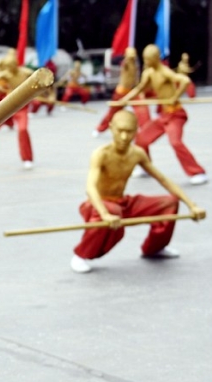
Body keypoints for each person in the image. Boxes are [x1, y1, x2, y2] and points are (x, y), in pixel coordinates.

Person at [70, 111, 205, 273]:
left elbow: (163, 180)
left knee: (169, 203)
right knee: (113, 210)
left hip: (123, 203)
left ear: (136, 131)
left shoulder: (137, 153)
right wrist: (105, 214)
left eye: (129, 131)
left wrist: (192, 205)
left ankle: (154, 248)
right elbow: (90, 188)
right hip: (98, 205)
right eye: (120, 131)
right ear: (111, 128)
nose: (124, 137)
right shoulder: (101, 154)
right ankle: (80, 255)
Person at [119, 44, 207, 185]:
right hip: (164, 115)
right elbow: (140, 88)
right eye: (145, 59)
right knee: (141, 139)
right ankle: (145, 167)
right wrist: (124, 99)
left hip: (175, 114)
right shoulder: (148, 73)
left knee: (175, 142)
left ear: (155, 59)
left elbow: (185, 80)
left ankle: (198, 172)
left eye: (148, 59)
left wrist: (175, 96)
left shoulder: (164, 71)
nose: (146, 62)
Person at [93, 47, 150, 137]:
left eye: (134, 54)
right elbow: (126, 62)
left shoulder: (136, 65)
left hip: (132, 91)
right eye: (131, 54)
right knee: (112, 112)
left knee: (143, 109)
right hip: (121, 92)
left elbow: (136, 80)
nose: (133, 56)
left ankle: (146, 129)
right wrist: (128, 57)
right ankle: (99, 129)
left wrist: (140, 92)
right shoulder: (125, 63)